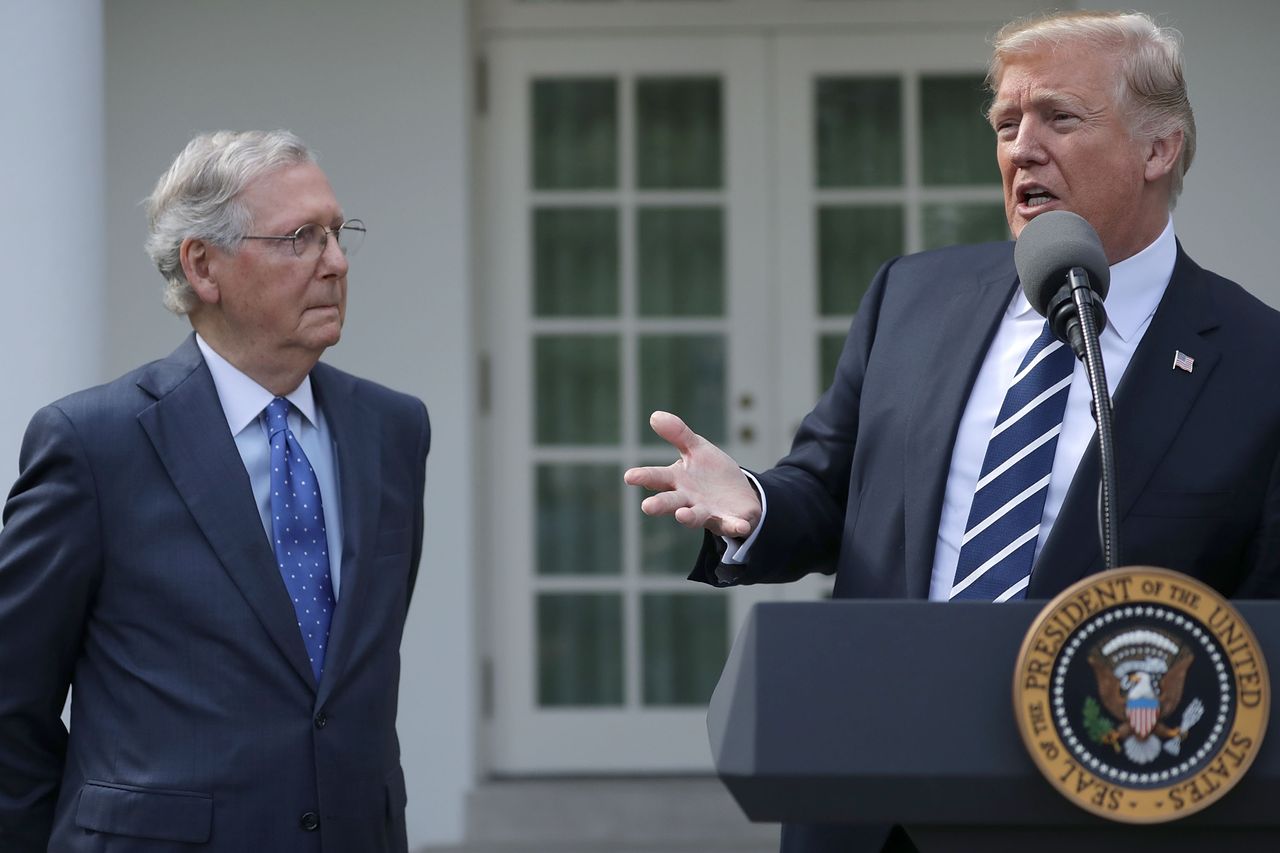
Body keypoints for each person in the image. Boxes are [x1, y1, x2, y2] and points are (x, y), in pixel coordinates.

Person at [625, 10, 1280, 853]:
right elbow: (827, 491)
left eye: (1059, 117)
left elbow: (1262, 641)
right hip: (866, 804)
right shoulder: (912, 297)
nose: (1021, 148)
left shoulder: (1258, 362)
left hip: (1100, 817)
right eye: (1007, 123)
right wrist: (755, 502)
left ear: (1160, 151)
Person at [0, 130, 430, 852]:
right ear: (204, 265)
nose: (335, 262)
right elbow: (10, 703)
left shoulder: (392, 430)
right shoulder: (93, 443)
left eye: (338, 232)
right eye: (301, 238)